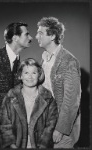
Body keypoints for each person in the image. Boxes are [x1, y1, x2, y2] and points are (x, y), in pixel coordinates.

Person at [36, 17, 81, 148]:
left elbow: (71, 100)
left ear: (52, 36)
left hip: (62, 127)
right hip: (47, 122)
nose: (36, 36)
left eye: (40, 33)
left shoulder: (69, 61)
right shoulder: (45, 58)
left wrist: (60, 129)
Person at [0, 58, 58, 148]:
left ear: (39, 75)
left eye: (34, 73)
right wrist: (11, 145)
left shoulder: (48, 98)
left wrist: (42, 145)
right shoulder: (11, 97)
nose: (30, 77)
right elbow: (3, 123)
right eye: (26, 73)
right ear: (20, 76)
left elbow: (51, 124)